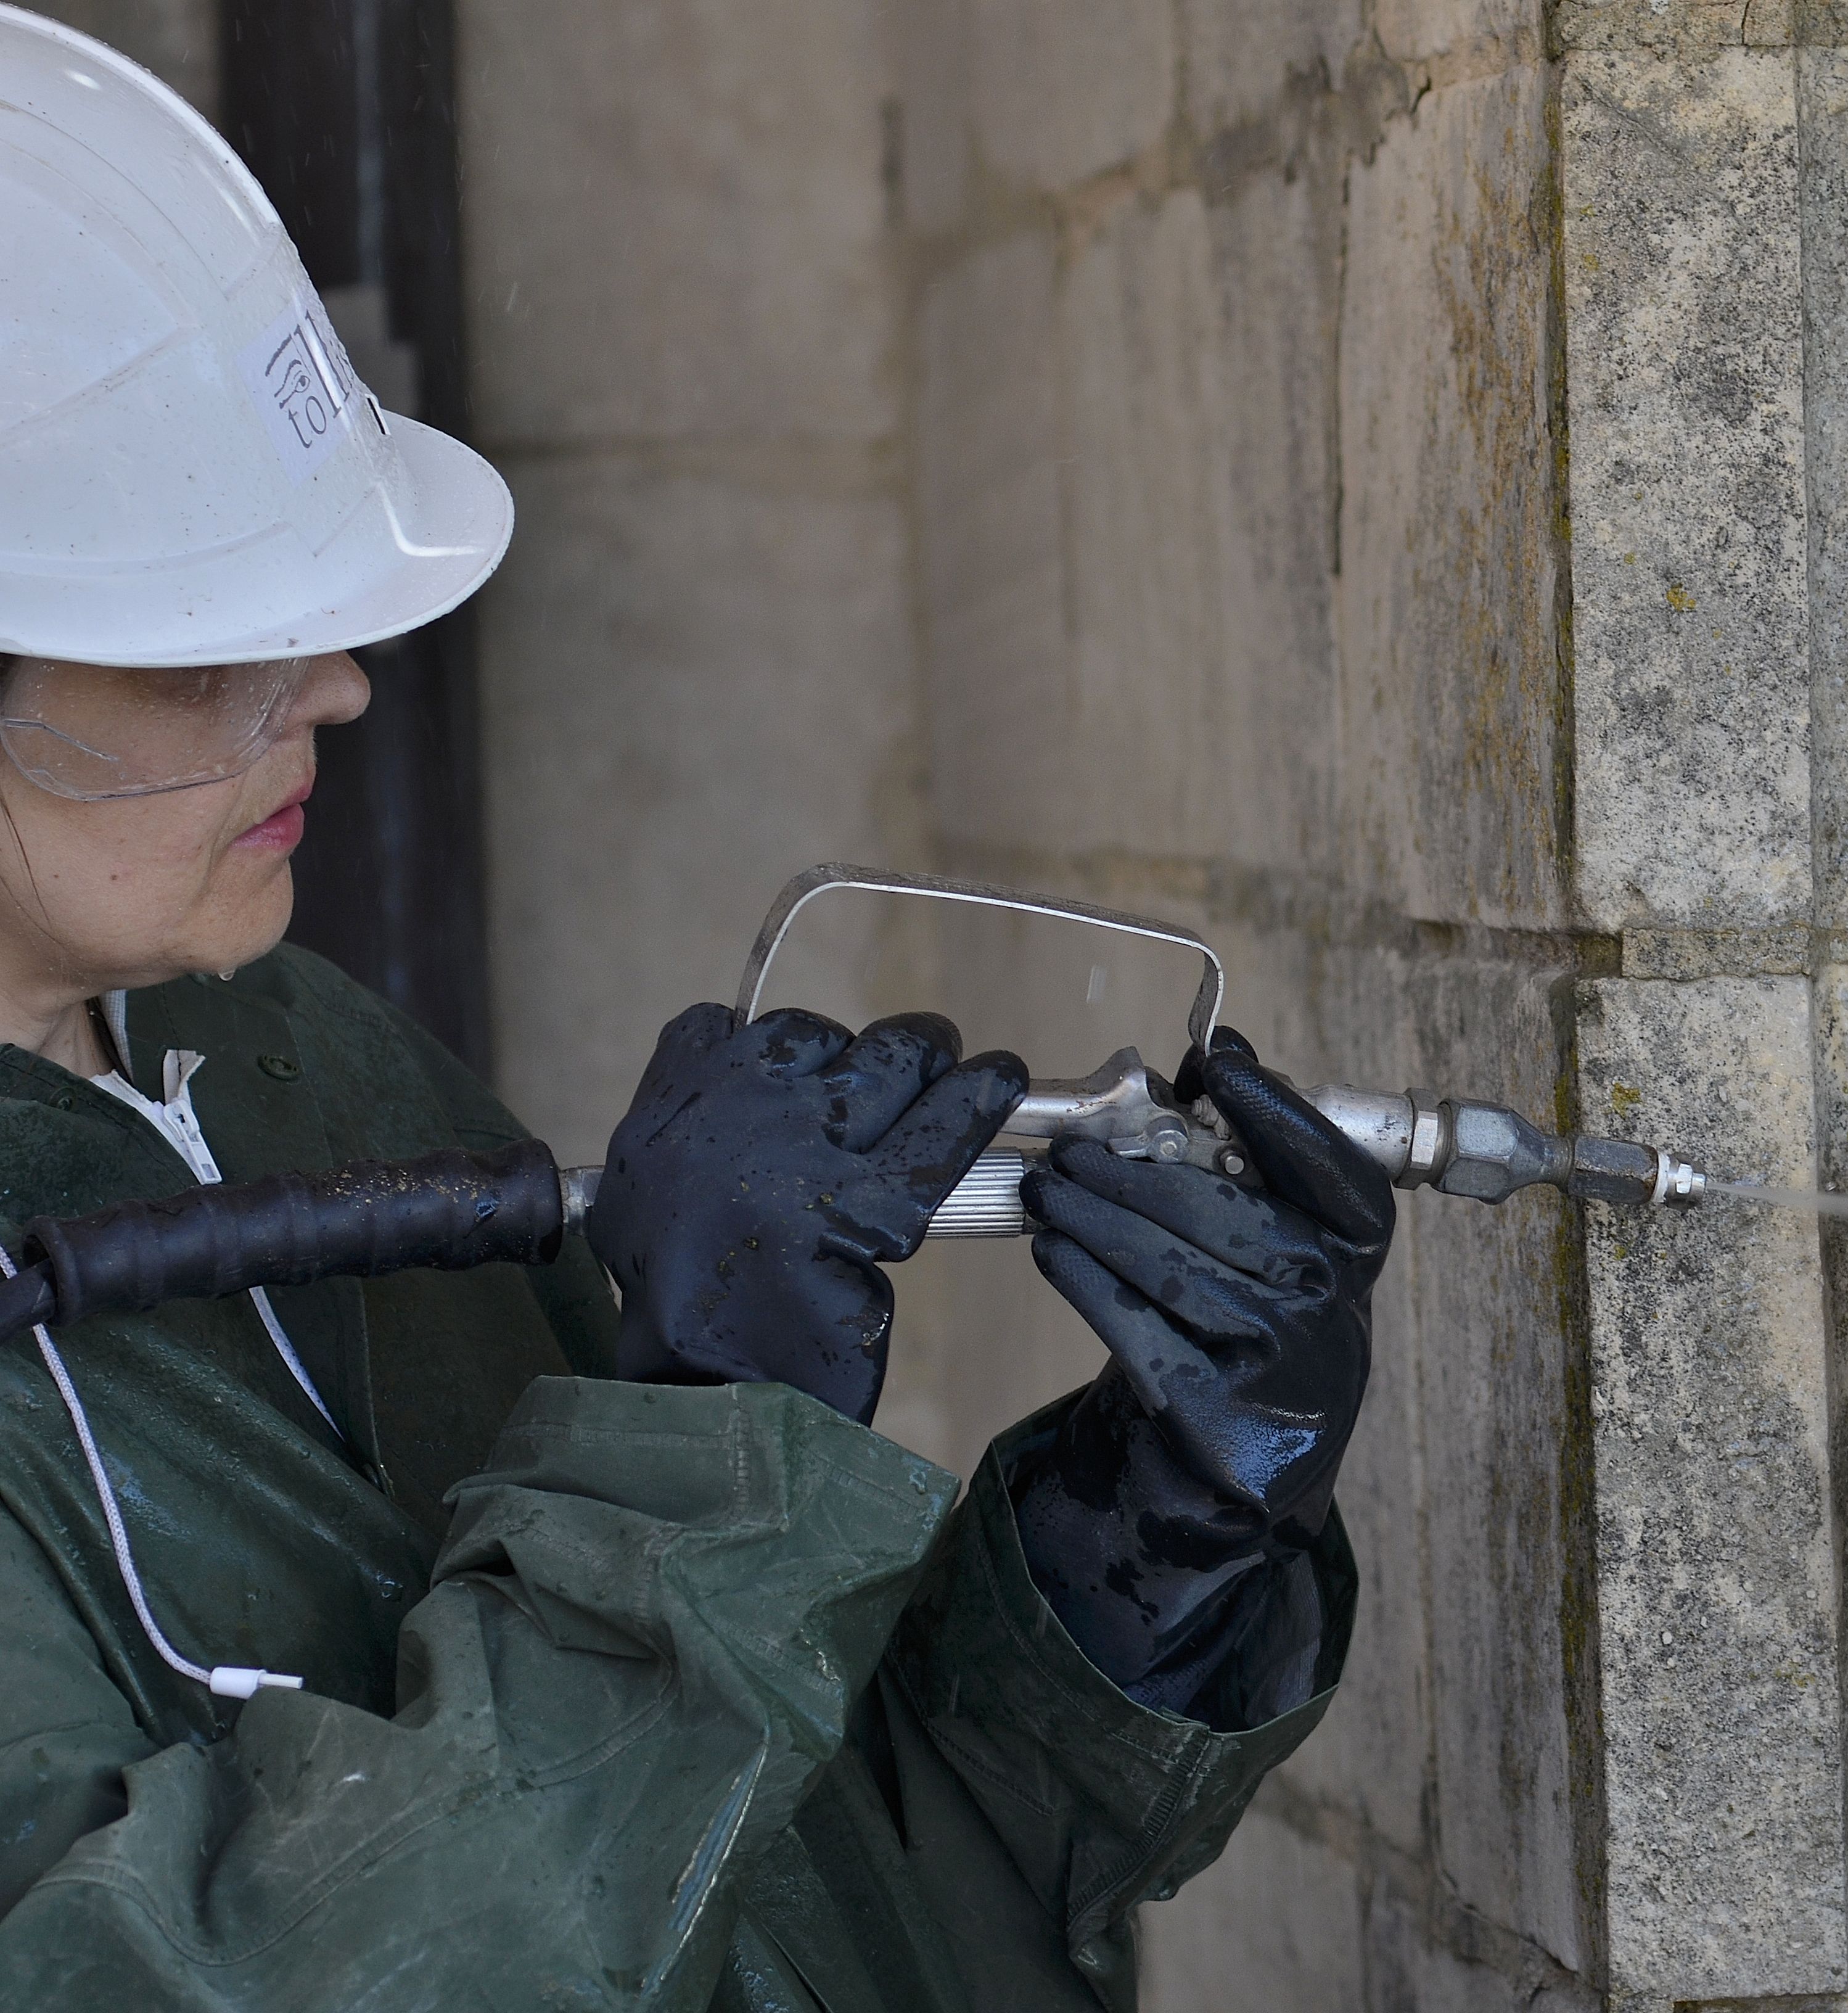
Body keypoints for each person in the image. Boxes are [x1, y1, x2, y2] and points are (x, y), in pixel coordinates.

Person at [0, 9, 1387, 2006]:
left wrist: (1144, 1559)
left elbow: (794, 1890)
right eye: (206, 636)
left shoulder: (289, 1052)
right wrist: (689, 1458)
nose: (333, 687)